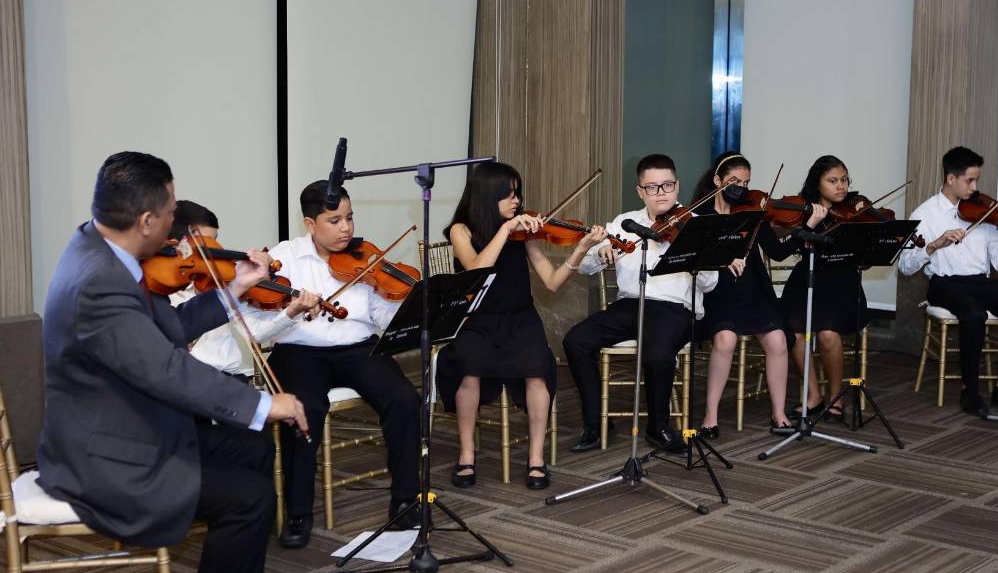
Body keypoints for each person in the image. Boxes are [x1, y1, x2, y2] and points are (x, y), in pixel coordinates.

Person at [37, 152, 311, 573]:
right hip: (106, 457)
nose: (175, 226)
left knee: (251, 447)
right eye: (168, 213)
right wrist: (260, 402)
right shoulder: (101, 280)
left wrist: (234, 289)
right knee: (249, 497)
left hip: (127, 427)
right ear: (145, 221)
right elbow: (165, 371)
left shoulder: (100, 250)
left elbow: (166, 329)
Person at [265, 181, 422, 549]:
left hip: (358, 348)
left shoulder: (366, 258)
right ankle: (298, 511)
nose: (346, 229)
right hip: (299, 351)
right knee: (303, 411)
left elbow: (382, 319)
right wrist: (294, 310)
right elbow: (264, 325)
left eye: (349, 218)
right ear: (309, 223)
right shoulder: (283, 258)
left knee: (403, 399)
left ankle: (404, 499)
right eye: (334, 221)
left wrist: (403, 301)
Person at [438, 162, 607, 489]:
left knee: (538, 369)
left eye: (517, 193)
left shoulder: (524, 233)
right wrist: (505, 231)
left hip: (521, 320)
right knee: (468, 369)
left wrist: (581, 249)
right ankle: (467, 454)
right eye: (508, 194)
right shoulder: (462, 230)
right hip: (477, 321)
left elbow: (552, 282)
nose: (516, 201)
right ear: (489, 195)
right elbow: (475, 269)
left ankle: (535, 458)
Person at [563, 154, 718, 454]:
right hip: (631, 306)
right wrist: (600, 254)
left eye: (667, 185)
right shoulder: (625, 223)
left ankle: (658, 428)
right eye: (652, 187)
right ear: (640, 191)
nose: (661, 193)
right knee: (575, 341)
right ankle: (595, 423)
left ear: (677, 186)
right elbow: (584, 268)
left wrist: (688, 254)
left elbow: (710, 283)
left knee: (658, 353)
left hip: (676, 310)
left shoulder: (696, 225)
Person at [898, 146, 998, 417]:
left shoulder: (984, 212)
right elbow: (905, 267)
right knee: (974, 314)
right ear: (950, 179)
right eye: (969, 180)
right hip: (945, 285)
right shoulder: (925, 215)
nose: (975, 187)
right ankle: (970, 390)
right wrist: (933, 245)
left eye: (977, 180)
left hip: (980, 282)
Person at [689, 152, 795, 437]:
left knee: (777, 339)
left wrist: (802, 229)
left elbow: (778, 251)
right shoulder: (701, 215)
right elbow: (692, 258)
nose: (741, 188)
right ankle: (710, 415)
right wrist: (723, 260)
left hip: (753, 292)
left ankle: (779, 413)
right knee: (725, 339)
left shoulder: (751, 214)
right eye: (734, 181)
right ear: (717, 180)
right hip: (715, 293)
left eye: (746, 183)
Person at [168, 200, 323, 376]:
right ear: (180, 245)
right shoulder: (159, 290)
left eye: (215, 243)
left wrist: (291, 312)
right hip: (185, 383)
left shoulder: (224, 284)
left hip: (228, 378)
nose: (216, 252)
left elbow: (255, 333)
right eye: (206, 246)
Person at [778, 156, 867, 425]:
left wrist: (865, 224)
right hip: (808, 279)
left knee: (828, 334)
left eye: (844, 180)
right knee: (792, 330)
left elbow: (867, 258)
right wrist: (811, 225)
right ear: (817, 184)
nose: (841, 186)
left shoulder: (855, 208)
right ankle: (813, 395)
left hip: (843, 283)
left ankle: (836, 396)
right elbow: (787, 249)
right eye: (833, 181)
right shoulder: (802, 210)